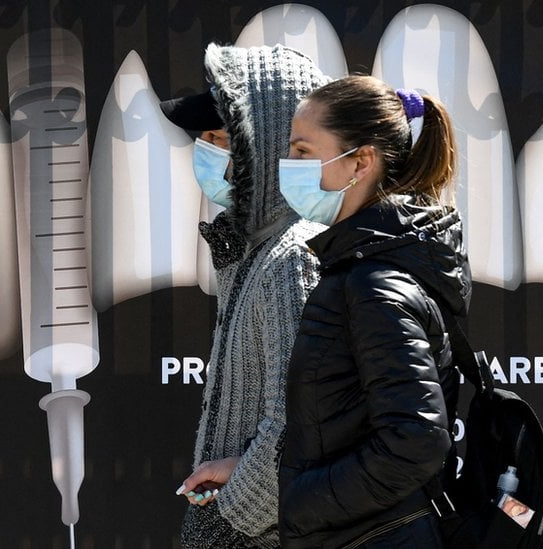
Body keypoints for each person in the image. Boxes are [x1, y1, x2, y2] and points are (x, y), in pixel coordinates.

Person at [276, 75, 471, 548]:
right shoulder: (361, 266)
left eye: (303, 151)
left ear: (360, 161)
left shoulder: (374, 282)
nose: (289, 165)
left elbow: (416, 441)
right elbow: (343, 421)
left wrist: (302, 504)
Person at [160, 43, 330, 548]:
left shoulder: (291, 258)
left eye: (220, 138)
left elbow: (296, 421)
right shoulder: (254, 248)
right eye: (203, 138)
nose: (206, 150)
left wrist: (229, 520)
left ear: (268, 144)